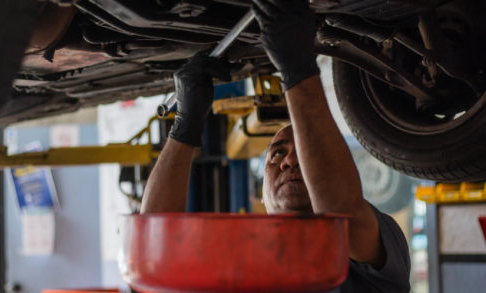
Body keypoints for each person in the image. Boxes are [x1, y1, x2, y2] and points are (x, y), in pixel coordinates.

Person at [141, 0, 411, 292]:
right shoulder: (246, 264)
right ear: (262, 188)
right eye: (278, 152)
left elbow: (340, 210)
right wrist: (185, 126)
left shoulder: (369, 246)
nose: (290, 161)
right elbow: (153, 248)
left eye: (303, 155)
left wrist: (298, 69)